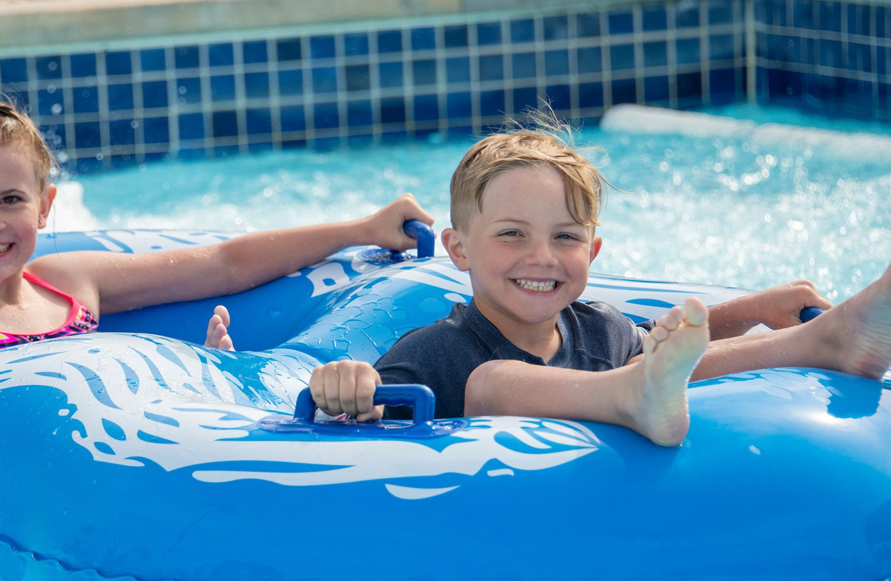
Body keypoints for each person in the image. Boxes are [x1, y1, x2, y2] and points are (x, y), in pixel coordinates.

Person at [308, 118, 891, 446]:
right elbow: (349, 409)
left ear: (594, 250)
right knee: (493, 382)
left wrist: (756, 308)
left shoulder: (600, 330)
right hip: (490, 516)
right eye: (512, 235)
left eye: (565, 238)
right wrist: (347, 385)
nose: (542, 257)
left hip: (632, 386)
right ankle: (629, 398)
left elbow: (678, 348)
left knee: (662, 357)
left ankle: (830, 340)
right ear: (457, 250)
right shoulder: (434, 352)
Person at [0, 97, 432, 356]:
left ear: (45, 207)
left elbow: (223, 265)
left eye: (11, 199)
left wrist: (362, 227)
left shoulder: (67, 285)